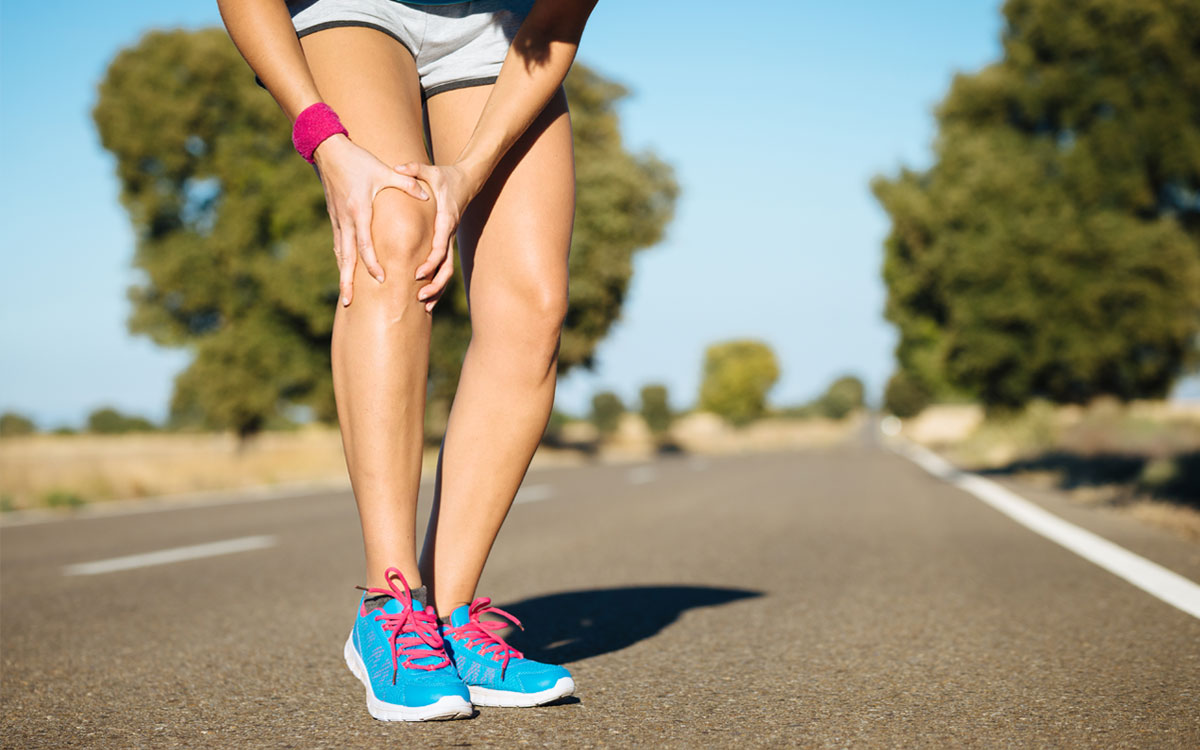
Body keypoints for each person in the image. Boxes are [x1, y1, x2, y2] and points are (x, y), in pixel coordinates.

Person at [217, 0, 598, 721]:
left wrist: (468, 172)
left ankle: (453, 620)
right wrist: (322, 139)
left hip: (503, 29)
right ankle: (388, 604)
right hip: (352, 11)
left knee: (533, 303)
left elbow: (555, 24)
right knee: (393, 225)